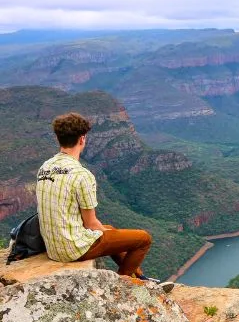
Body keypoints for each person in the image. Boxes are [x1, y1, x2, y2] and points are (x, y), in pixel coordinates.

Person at [36, 112, 173, 292]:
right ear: (82, 139)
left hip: (54, 248)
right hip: (73, 249)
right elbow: (91, 224)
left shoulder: (45, 168)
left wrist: (109, 234)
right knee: (143, 238)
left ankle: (138, 276)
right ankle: (123, 286)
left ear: (58, 138)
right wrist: (107, 236)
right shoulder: (81, 175)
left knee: (109, 229)